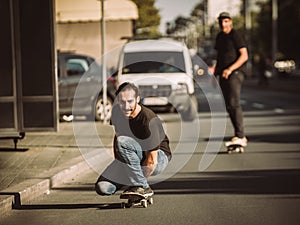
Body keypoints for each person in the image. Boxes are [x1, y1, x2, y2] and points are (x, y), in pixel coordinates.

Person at [95, 82, 171, 197]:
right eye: (122, 102)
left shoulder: (148, 119)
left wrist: (138, 182)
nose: (126, 107)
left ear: (138, 99)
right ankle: (137, 184)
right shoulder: (116, 112)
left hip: (158, 157)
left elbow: (151, 161)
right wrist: (122, 162)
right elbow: (117, 138)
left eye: (130, 102)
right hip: (131, 154)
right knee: (103, 187)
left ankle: (143, 188)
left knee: (123, 142)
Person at [214, 12, 248, 147]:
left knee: (234, 103)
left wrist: (230, 69)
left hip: (235, 73)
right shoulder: (220, 37)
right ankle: (238, 134)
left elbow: (244, 56)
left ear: (231, 22)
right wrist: (216, 73)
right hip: (223, 74)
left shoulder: (236, 35)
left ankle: (241, 135)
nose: (224, 24)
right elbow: (220, 56)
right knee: (228, 105)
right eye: (221, 22)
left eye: (226, 21)